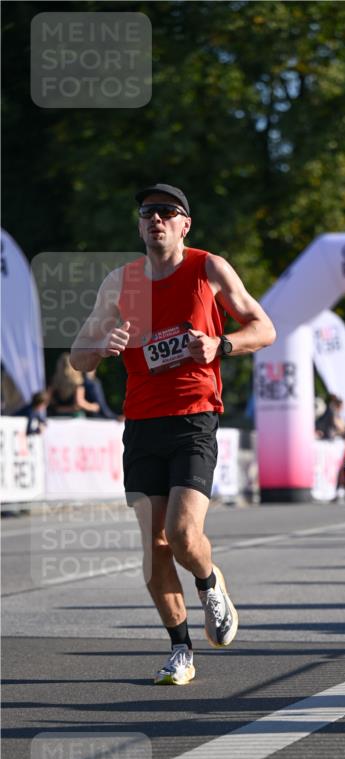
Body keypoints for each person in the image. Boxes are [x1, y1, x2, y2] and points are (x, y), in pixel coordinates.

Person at [71, 183, 275, 684]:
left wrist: (220, 345)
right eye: (147, 213)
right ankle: (180, 649)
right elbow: (77, 358)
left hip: (193, 417)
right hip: (141, 424)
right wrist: (101, 343)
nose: (156, 220)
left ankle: (209, 582)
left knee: (183, 535)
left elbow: (264, 327)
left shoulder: (208, 268)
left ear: (185, 225)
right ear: (139, 225)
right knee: (155, 546)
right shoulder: (121, 283)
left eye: (167, 212)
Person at [48, 353, 101, 418]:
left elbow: (48, 400)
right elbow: (79, 403)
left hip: (56, 415)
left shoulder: (54, 383)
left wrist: (58, 409)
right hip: (73, 416)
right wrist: (93, 407)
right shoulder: (78, 383)